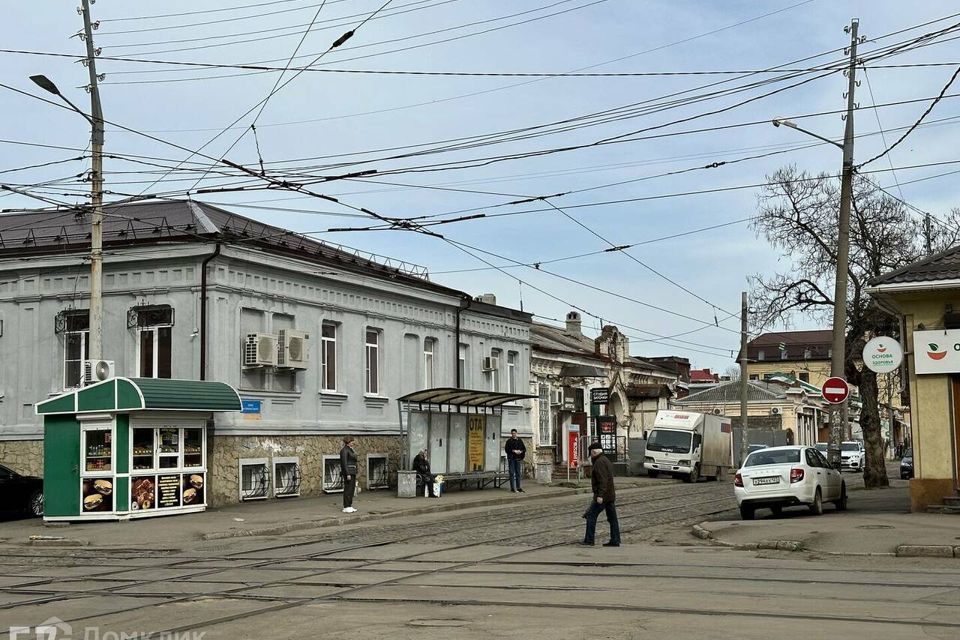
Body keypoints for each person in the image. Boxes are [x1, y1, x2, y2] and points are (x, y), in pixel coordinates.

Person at [580, 441, 621, 547]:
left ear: (594, 452)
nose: (590, 456)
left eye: (591, 453)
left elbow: (603, 480)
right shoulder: (605, 460)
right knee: (612, 518)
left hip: (603, 496)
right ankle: (615, 539)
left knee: (591, 516)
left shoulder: (599, 462)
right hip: (610, 495)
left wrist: (600, 495)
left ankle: (589, 540)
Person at [340, 436, 358, 513]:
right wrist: (347, 473)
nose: (353, 443)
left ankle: (349, 505)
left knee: (352, 489)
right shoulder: (344, 450)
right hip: (348, 472)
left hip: (352, 471)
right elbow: (344, 463)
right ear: (348, 442)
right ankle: (346, 506)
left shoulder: (350, 450)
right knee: (348, 489)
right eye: (352, 441)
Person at [504, 428, 527, 493]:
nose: (514, 434)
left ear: (516, 433)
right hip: (511, 459)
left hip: (518, 458)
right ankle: (512, 488)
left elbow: (524, 449)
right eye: (512, 433)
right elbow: (506, 450)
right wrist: (513, 451)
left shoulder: (519, 440)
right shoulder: (509, 441)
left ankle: (518, 487)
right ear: (511, 434)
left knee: (518, 473)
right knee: (511, 473)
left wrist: (520, 451)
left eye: (514, 433)